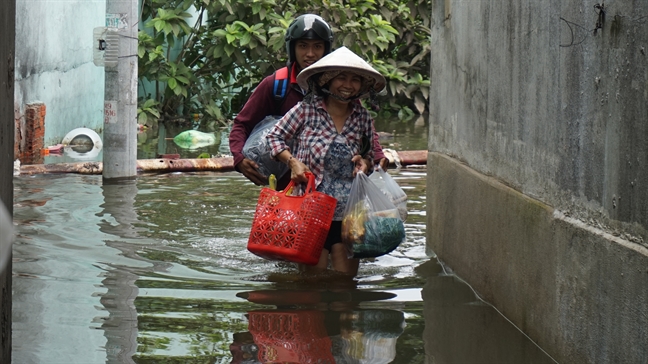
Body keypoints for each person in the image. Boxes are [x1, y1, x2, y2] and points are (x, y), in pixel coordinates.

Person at [228, 14, 388, 188]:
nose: (310, 54)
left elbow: (364, 131)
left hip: (332, 186)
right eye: (303, 46)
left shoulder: (340, 87)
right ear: (293, 48)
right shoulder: (277, 85)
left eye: (317, 46)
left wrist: (374, 159)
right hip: (287, 185)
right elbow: (243, 124)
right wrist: (239, 159)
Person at [266, 46, 386, 277]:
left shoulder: (362, 117)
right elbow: (273, 137)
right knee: (313, 283)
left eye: (354, 79)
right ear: (327, 81)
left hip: (349, 213)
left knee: (345, 285)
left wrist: (366, 163)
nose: (348, 85)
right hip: (311, 211)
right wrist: (293, 162)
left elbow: (370, 155)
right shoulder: (305, 111)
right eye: (341, 77)